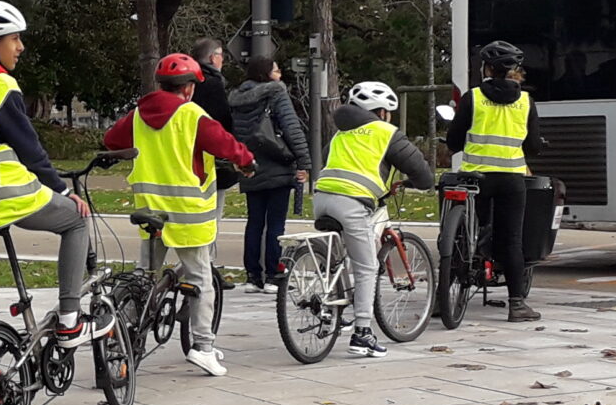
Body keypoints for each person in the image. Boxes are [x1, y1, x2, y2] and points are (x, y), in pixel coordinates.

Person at [102, 52, 257, 376]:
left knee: (143, 276)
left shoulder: (138, 115)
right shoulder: (191, 115)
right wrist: (246, 161)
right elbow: (226, 145)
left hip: (150, 210)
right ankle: (202, 347)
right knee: (201, 278)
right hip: (187, 214)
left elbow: (111, 140)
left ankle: (123, 338)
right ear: (188, 88)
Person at [0, 0, 93, 344]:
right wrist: (62, 190)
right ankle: (70, 319)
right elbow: (29, 148)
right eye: (14, 39)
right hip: (7, 192)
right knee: (76, 220)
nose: (21, 47)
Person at [314, 79, 440, 357]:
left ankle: (332, 308)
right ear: (382, 112)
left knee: (340, 255)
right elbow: (421, 172)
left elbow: (327, 162)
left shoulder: (340, 134)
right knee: (366, 266)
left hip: (322, 197)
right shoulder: (386, 132)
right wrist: (419, 182)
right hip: (353, 202)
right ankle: (362, 334)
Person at [448, 38, 545, 322]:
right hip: (512, 180)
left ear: (487, 68)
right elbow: (533, 147)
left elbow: (454, 139)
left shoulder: (473, 98)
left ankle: (446, 297)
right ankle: (517, 305)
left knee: (462, 236)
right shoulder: (526, 101)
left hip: (475, 178)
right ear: (513, 69)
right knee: (511, 240)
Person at [229, 52, 310, 290]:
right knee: (276, 224)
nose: (280, 74)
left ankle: (253, 276)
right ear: (266, 74)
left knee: (254, 222)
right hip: (277, 164)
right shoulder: (276, 93)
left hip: (250, 165)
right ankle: (274, 275)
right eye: (276, 71)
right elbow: (291, 127)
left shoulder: (237, 99)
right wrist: (303, 161)